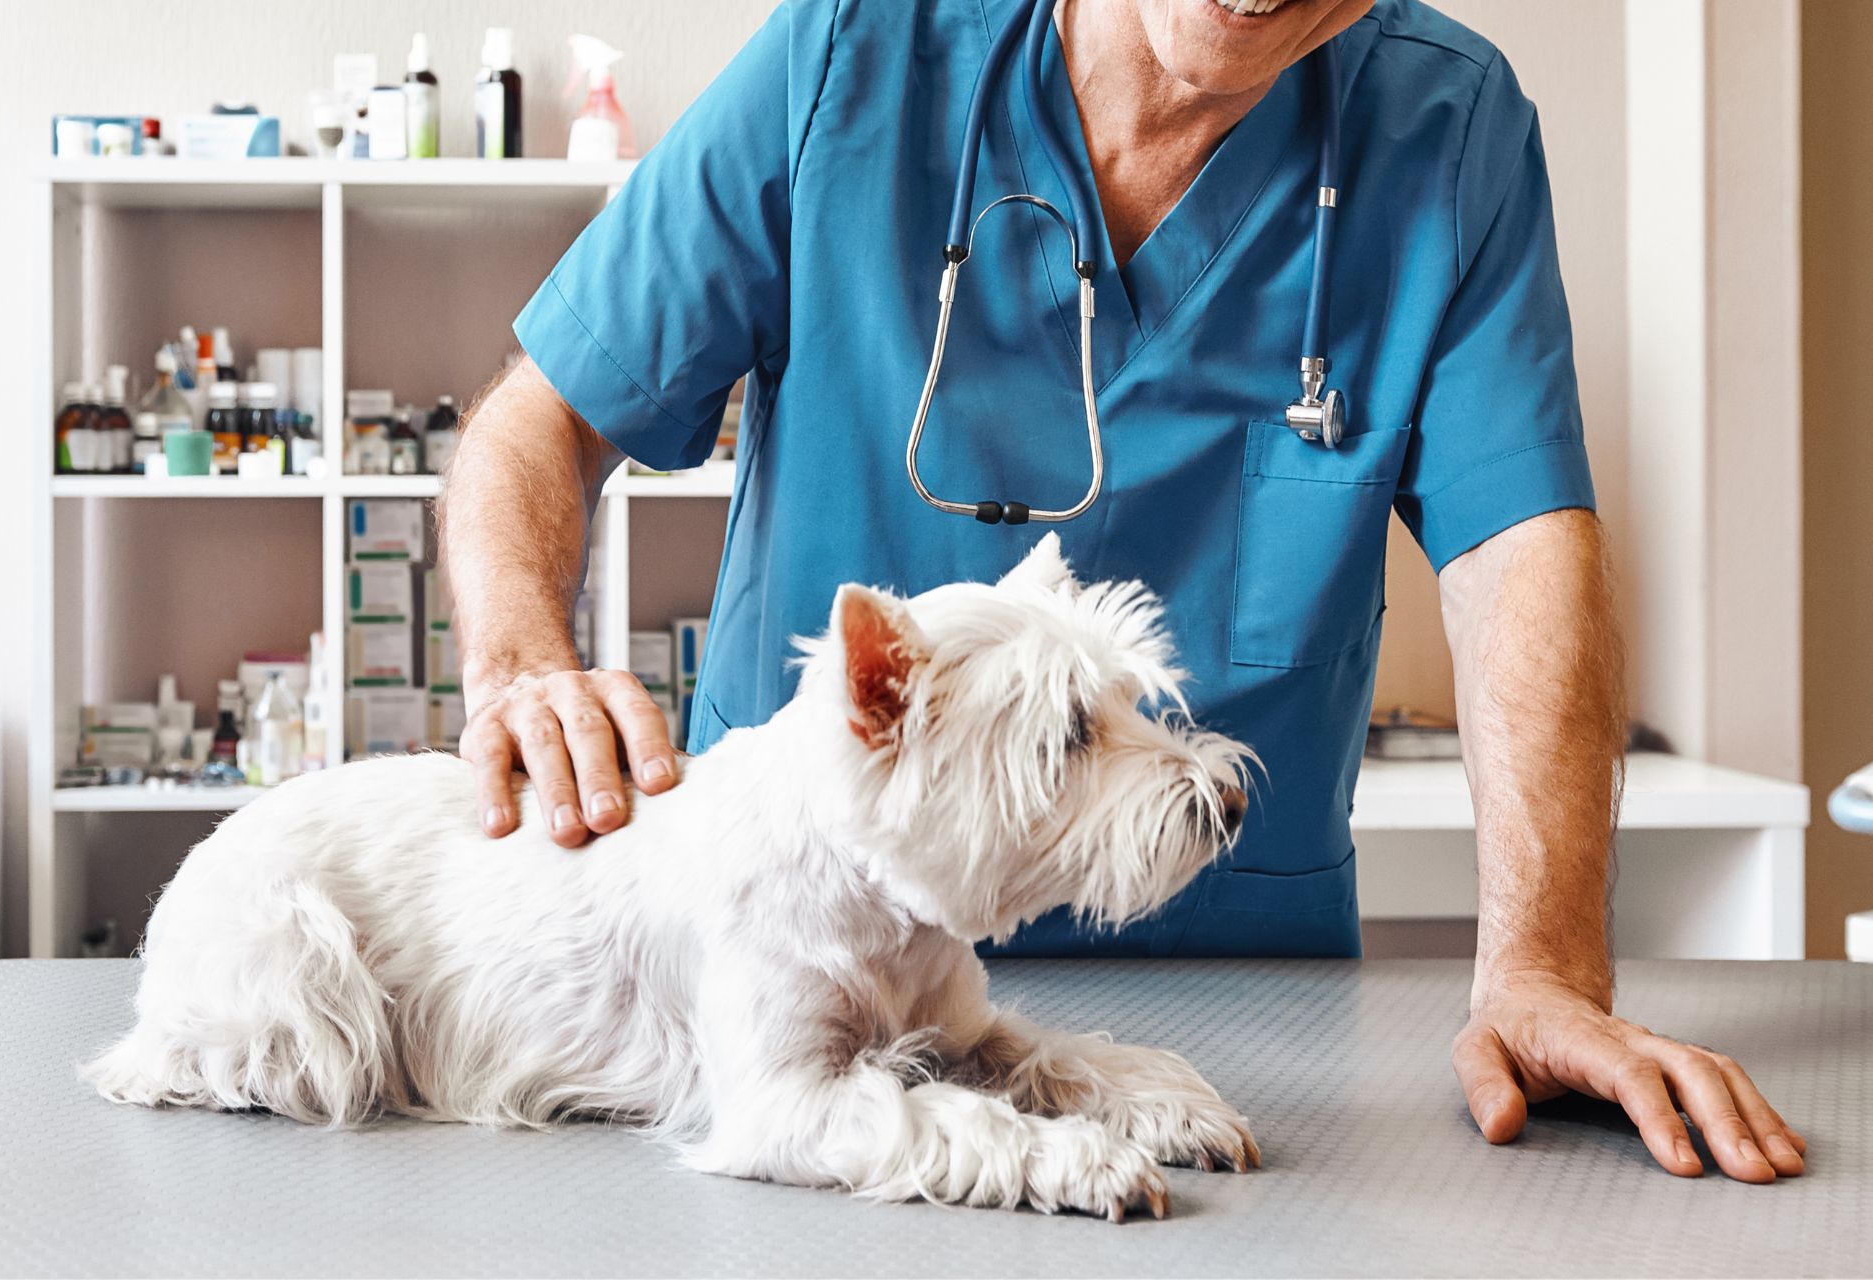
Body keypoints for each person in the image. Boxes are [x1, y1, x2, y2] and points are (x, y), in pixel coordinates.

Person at [439, 0, 1805, 1183]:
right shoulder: (851, 54)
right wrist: (516, 659)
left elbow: (1523, 548)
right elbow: (537, 426)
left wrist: (1549, 968)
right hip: (800, 969)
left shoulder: (1445, 130)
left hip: (1245, 1017)